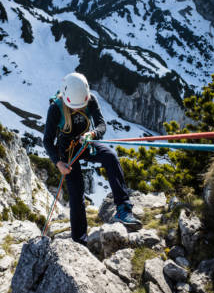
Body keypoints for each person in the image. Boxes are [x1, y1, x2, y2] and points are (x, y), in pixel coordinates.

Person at [43, 72, 142, 246]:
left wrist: (93, 133)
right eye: (74, 107)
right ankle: (80, 240)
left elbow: (102, 125)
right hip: (67, 152)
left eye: (80, 105)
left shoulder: (91, 100)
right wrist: (58, 163)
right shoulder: (55, 108)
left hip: (86, 142)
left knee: (110, 157)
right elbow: (47, 141)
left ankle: (123, 208)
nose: (77, 109)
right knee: (76, 193)